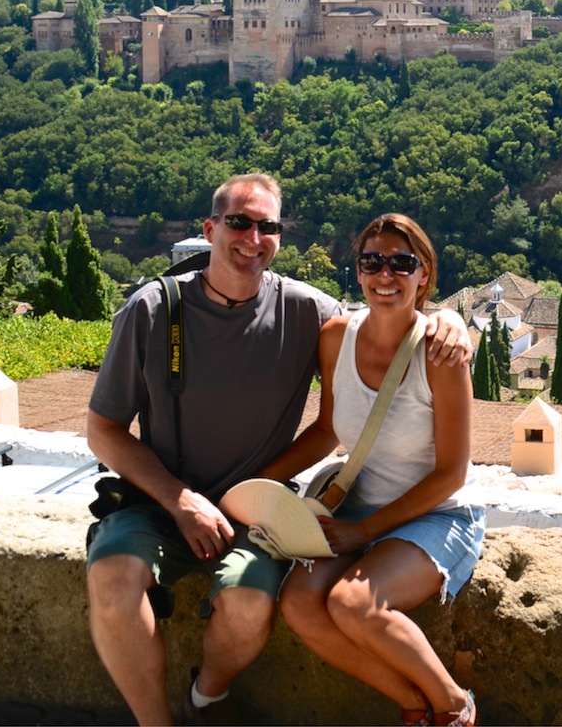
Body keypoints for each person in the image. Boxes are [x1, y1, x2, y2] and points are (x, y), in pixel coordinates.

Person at [85, 174, 472, 726]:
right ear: (210, 228)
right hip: (159, 502)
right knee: (111, 582)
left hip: (255, 510)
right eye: (239, 222)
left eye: (268, 226)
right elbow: (103, 431)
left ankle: (205, 698)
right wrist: (181, 500)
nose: (253, 237)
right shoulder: (152, 310)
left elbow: (391, 320)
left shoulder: (307, 312)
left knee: (249, 605)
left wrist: (454, 321)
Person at [265, 213, 483, 727]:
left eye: (401, 263)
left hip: (436, 515)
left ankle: (454, 704)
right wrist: (257, 483)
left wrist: (361, 532)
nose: (386, 274)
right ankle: (410, 701)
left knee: (353, 604)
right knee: (298, 604)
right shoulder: (336, 337)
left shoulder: (441, 355)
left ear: (424, 274)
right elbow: (327, 432)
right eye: (372, 261)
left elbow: (451, 475)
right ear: (359, 272)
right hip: (359, 507)